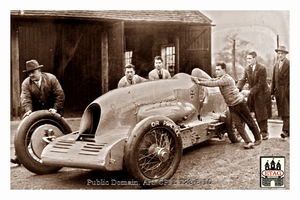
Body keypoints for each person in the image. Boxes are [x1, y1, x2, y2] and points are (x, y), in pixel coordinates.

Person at [191, 61, 261, 149]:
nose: (216, 72)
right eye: (216, 70)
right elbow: (211, 80)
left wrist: (199, 82)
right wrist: (197, 79)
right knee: (238, 125)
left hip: (240, 103)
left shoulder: (226, 79)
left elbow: (213, 84)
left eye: (218, 70)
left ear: (224, 70)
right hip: (232, 106)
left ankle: (258, 139)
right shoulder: (220, 78)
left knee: (249, 121)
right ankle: (249, 142)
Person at [11, 59, 65, 165]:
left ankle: (64, 155)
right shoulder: (26, 83)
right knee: (27, 130)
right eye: (28, 73)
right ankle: (19, 157)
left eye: (33, 72)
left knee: (58, 131)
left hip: (53, 110)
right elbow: (26, 99)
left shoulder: (51, 79)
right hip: (36, 111)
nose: (31, 75)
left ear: (39, 70)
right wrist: (29, 111)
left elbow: (60, 95)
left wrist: (55, 108)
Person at [237, 51, 272, 140]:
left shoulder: (262, 68)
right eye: (247, 58)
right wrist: (237, 90)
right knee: (246, 111)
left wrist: (249, 91)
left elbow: (261, 84)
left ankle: (264, 133)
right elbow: (242, 80)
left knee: (261, 114)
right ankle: (240, 132)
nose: (248, 60)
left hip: (262, 94)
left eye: (250, 58)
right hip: (253, 94)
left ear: (255, 58)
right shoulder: (247, 69)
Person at [271, 46, 290, 138]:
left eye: (282, 53)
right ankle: (288, 130)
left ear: (285, 54)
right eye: (278, 53)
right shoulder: (276, 65)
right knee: (283, 112)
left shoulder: (289, 64)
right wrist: (272, 93)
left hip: (287, 91)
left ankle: (285, 131)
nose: (280, 55)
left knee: (286, 112)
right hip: (278, 91)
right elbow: (273, 80)